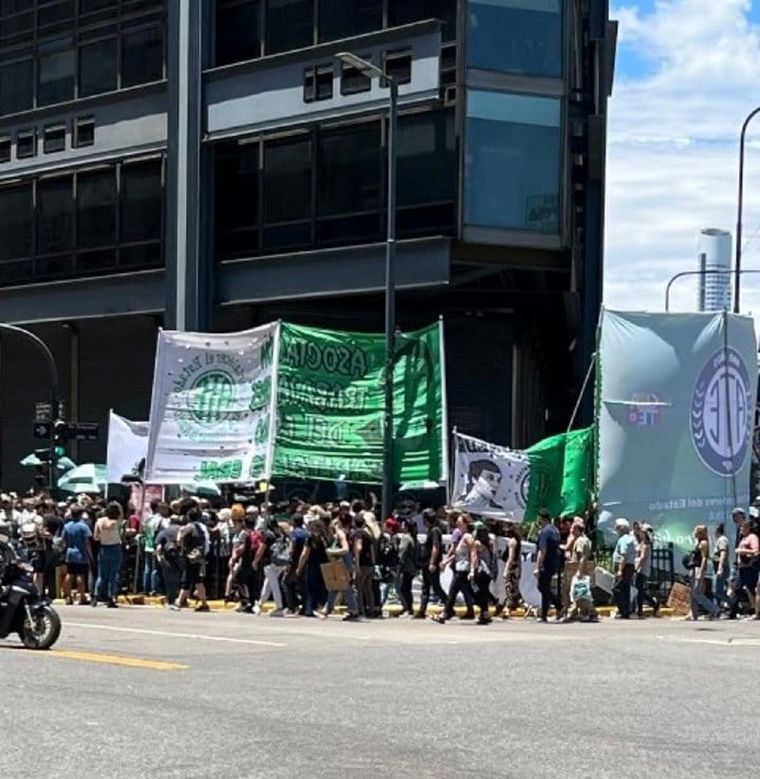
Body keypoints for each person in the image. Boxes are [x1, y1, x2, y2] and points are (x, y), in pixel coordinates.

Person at [434, 513, 476, 624]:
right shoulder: (463, 537)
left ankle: (445, 613)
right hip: (459, 567)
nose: (458, 527)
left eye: (460, 524)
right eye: (457, 525)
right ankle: (482, 609)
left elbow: (473, 553)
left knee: (453, 591)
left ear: (466, 525)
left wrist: (472, 569)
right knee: (469, 591)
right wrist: (446, 561)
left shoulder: (468, 537)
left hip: (463, 569)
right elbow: (457, 554)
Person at [319, 514, 360, 622]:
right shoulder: (352, 533)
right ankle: (327, 609)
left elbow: (345, 549)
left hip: (343, 564)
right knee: (335, 586)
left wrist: (330, 551)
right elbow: (355, 550)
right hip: (347, 563)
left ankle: (353, 611)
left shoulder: (341, 533)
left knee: (345, 588)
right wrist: (356, 566)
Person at [176, 507, 210, 612]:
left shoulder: (189, 527)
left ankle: (179, 602)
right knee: (196, 579)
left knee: (188, 579)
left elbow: (179, 540)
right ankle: (202, 603)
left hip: (190, 556)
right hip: (200, 555)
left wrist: (180, 536)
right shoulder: (203, 527)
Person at [416, 508, 447, 619]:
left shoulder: (435, 531)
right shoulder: (432, 530)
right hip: (427, 563)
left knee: (436, 587)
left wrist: (432, 563)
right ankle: (422, 610)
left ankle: (448, 606)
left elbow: (436, 547)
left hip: (431, 564)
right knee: (426, 587)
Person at [93, 502, 124, 608]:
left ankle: (95, 596)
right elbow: (122, 517)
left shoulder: (99, 521)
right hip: (115, 547)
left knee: (102, 575)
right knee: (113, 575)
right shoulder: (116, 522)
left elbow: (96, 537)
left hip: (103, 548)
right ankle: (111, 597)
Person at [686, 525, 719, 620]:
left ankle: (714, 609)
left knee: (697, 593)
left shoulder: (704, 543)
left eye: (696, 532)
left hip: (699, 568)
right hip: (694, 568)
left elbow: (704, 558)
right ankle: (693, 614)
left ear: (700, 533)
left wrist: (701, 571)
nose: (694, 533)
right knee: (692, 592)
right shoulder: (698, 542)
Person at [535, 509, 562, 623]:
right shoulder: (555, 530)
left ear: (541, 518)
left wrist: (537, 566)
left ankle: (554, 608)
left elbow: (542, 550)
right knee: (544, 587)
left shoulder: (545, 532)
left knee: (543, 587)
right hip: (554, 562)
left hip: (546, 563)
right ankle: (556, 607)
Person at [728, 519, 759, 619]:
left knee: (752, 589)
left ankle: (756, 611)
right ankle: (732, 613)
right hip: (741, 569)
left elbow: (756, 551)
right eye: (740, 527)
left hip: (749, 568)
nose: (741, 529)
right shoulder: (743, 538)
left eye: (743, 527)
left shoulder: (752, 537)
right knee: (737, 589)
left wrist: (742, 550)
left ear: (748, 528)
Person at [62, 506, 92, 605]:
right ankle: (82, 597)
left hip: (70, 553)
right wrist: (90, 555)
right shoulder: (84, 526)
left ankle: (68, 597)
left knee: (69, 574)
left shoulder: (67, 526)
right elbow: (87, 542)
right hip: (81, 553)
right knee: (80, 575)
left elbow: (64, 540)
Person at [284, 513, 310, 616]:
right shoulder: (306, 533)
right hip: (304, 561)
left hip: (294, 562)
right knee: (303, 585)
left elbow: (291, 548)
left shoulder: (294, 533)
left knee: (286, 582)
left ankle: (292, 606)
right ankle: (304, 606)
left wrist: (287, 559)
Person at [351, 512, 376, 617]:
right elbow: (372, 550)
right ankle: (371, 609)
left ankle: (359, 610)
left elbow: (358, 547)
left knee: (357, 588)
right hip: (370, 564)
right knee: (368, 588)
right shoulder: (368, 534)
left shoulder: (358, 533)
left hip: (362, 564)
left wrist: (356, 565)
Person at [155, 513, 181, 608]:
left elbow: (158, 546)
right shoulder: (182, 529)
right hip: (181, 556)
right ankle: (181, 598)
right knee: (181, 578)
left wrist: (159, 558)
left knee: (169, 580)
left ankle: (171, 599)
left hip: (168, 557)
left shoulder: (164, 531)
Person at [632, 523, 659, 618]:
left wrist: (637, 567)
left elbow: (643, 557)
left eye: (642, 532)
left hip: (642, 569)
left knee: (639, 590)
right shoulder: (642, 543)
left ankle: (640, 609)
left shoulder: (645, 544)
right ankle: (652, 603)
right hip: (641, 568)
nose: (640, 533)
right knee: (639, 589)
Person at [612, 518, 636, 619]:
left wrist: (620, 570)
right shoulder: (630, 538)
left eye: (617, 528)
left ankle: (622, 610)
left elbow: (624, 556)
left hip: (624, 566)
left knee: (616, 589)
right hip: (629, 566)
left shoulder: (623, 540)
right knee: (625, 589)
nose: (616, 530)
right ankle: (625, 611)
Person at [497, 523, 522, 619]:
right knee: (514, 588)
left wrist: (507, 569)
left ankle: (508, 609)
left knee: (509, 587)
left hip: (512, 568)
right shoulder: (517, 541)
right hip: (516, 567)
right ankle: (511, 607)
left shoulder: (512, 542)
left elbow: (511, 557)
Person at [471, 523, 494, 625]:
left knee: (477, 592)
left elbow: (474, 557)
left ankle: (484, 612)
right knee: (484, 592)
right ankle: (485, 613)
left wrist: (472, 571)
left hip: (480, 571)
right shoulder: (489, 543)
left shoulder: (477, 544)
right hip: (488, 572)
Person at [395, 518, 418, 618]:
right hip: (412, 567)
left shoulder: (405, 538)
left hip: (406, 567)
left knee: (404, 588)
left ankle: (408, 609)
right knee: (406, 588)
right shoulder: (413, 538)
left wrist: (398, 566)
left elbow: (402, 553)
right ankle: (408, 608)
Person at [712, 522, 729, 613]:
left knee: (717, 591)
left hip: (720, 568)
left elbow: (723, 554)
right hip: (717, 568)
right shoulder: (720, 539)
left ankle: (733, 604)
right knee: (717, 590)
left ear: (717, 531)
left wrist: (720, 567)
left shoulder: (722, 540)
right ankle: (717, 610)